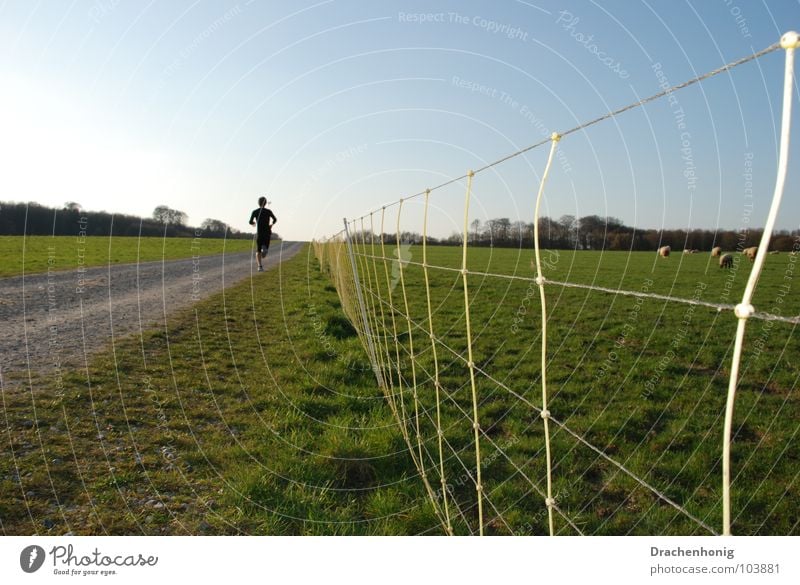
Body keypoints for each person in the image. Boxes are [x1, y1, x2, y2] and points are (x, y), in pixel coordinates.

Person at [249, 196, 277, 272]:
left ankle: (260, 266)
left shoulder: (255, 211)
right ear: (265, 203)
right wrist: (271, 225)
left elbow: (250, 221)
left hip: (260, 233)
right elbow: (275, 219)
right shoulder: (268, 211)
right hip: (267, 233)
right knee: (264, 254)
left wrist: (254, 223)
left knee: (258, 251)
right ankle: (264, 250)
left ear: (258, 203)